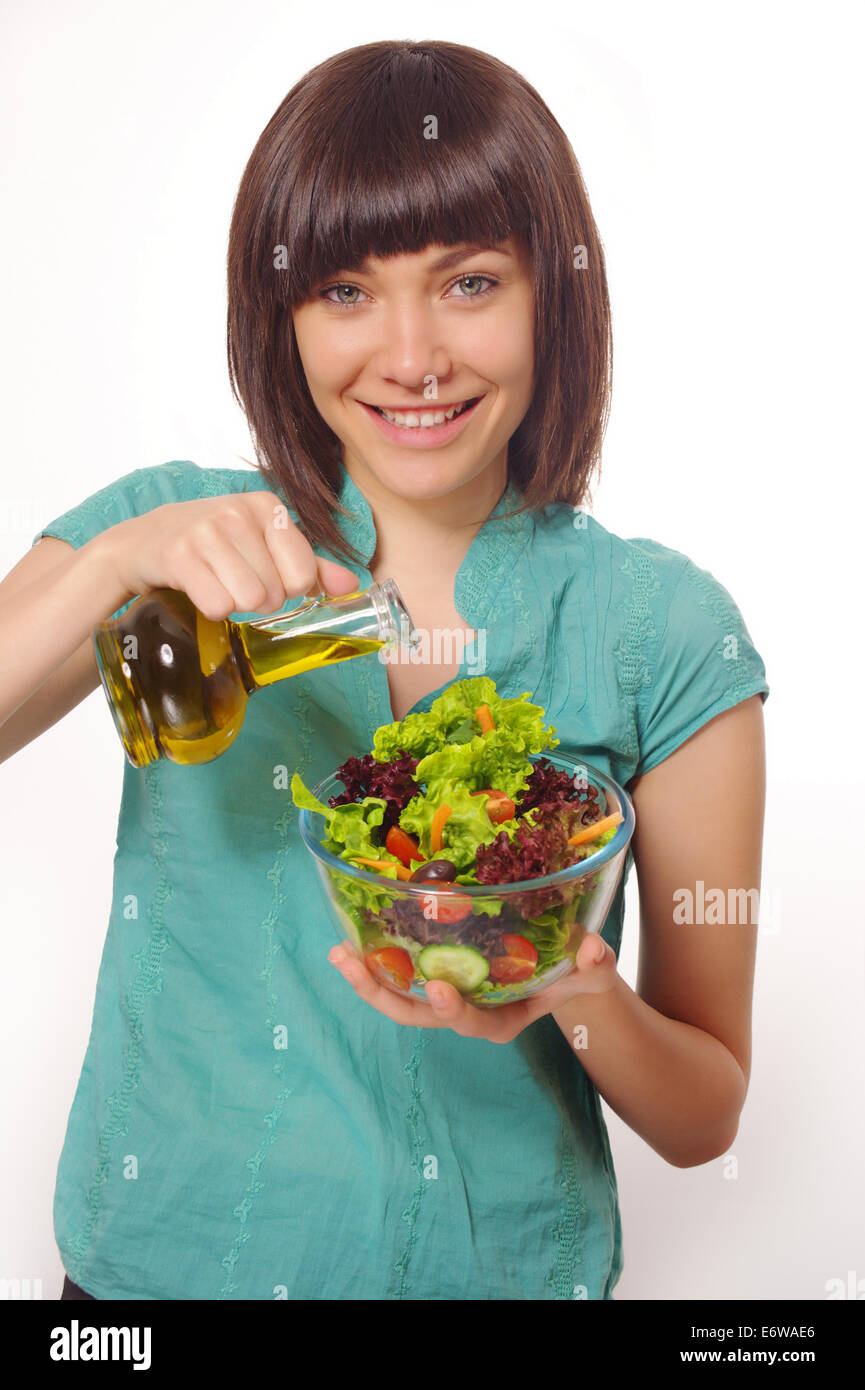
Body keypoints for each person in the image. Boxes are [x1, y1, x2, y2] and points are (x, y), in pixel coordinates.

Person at [0, 40, 768, 1302]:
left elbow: (705, 1113)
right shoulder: (164, 534)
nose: (410, 356)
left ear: (551, 297)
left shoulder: (664, 629)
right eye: (346, 292)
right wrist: (111, 568)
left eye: (468, 282)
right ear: (282, 313)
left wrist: (561, 982)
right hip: (151, 1283)